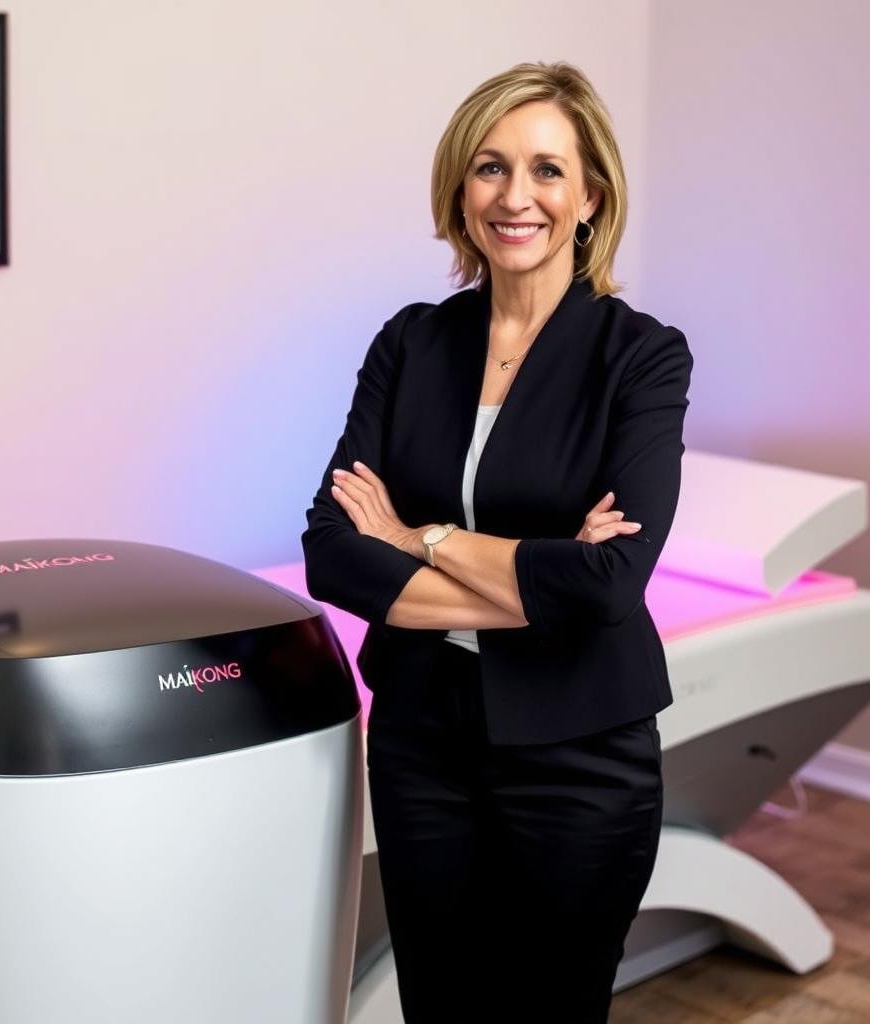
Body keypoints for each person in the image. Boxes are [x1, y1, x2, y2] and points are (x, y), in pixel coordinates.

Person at [301, 60, 693, 1022]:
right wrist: (534, 571)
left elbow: (610, 583)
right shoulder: (412, 342)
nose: (517, 197)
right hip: (421, 743)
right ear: (459, 190)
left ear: (590, 196)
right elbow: (331, 550)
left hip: (581, 754)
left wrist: (417, 535)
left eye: (548, 171)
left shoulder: (639, 355)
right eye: (490, 168)